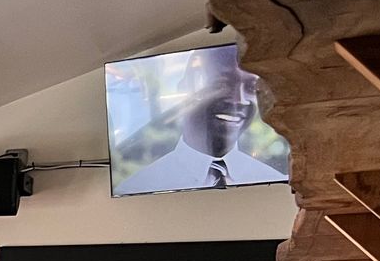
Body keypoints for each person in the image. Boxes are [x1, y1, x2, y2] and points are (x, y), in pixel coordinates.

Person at [113, 52, 287, 195]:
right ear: (185, 90)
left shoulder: (275, 181)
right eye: (221, 84)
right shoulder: (139, 187)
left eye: (250, 88)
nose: (238, 100)